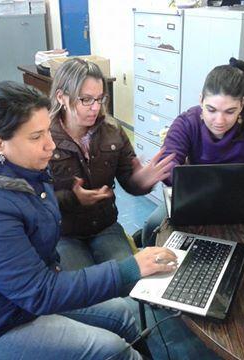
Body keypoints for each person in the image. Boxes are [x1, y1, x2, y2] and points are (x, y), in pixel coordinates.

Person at [0, 81, 177, 360]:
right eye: (36, 137)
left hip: (17, 300)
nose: (51, 144)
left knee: (124, 315)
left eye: (48, 130)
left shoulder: (19, 166)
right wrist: (130, 268)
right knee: (111, 349)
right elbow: (41, 292)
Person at [142, 57, 244, 246]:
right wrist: (170, 175)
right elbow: (169, 164)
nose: (219, 120)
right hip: (196, 203)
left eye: (229, 111)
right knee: (152, 225)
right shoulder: (187, 122)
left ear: (242, 105)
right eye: (211, 110)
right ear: (201, 100)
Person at [48, 58, 175, 271]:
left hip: (105, 226)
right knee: (87, 292)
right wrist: (72, 198)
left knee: (128, 283)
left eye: (100, 99)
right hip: (64, 234)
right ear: (61, 97)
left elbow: (129, 182)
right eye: (86, 100)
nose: (95, 108)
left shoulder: (112, 131)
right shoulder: (43, 137)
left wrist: (142, 180)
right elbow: (33, 198)